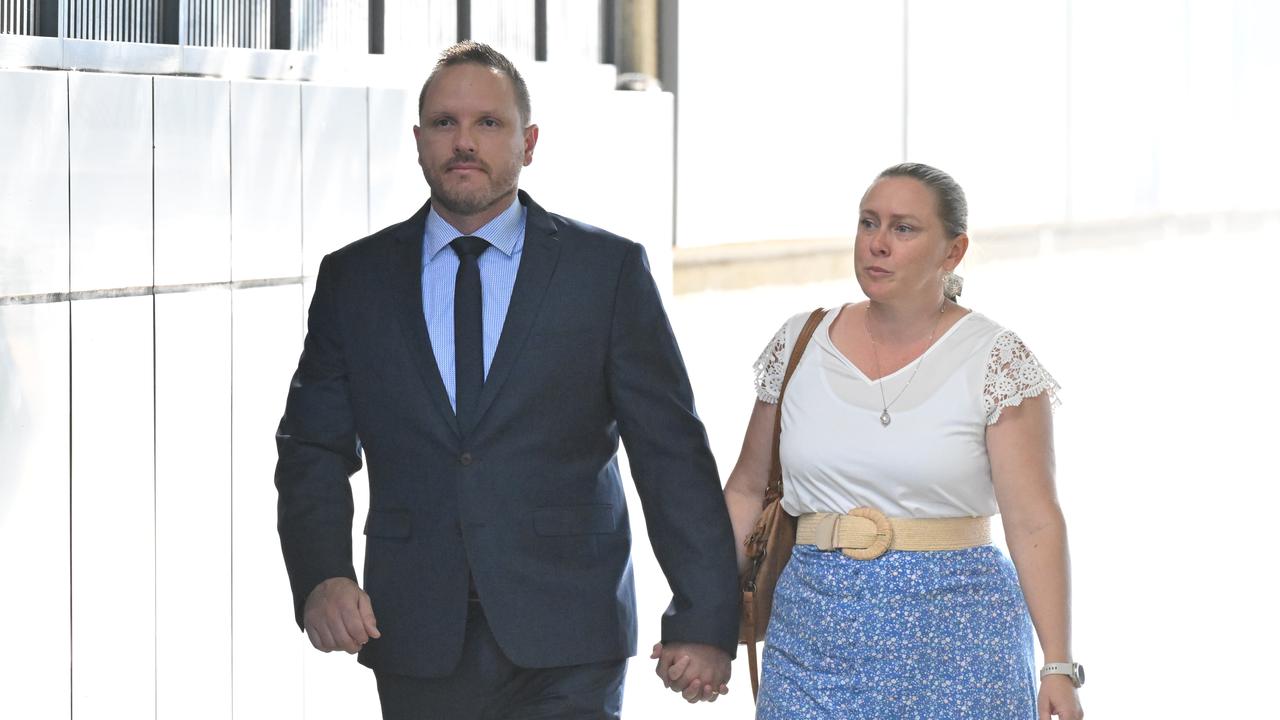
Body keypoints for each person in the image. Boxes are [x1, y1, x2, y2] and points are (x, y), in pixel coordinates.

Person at [274, 41, 738, 719]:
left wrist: (703, 617)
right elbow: (312, 448)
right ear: (418, 142)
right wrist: (322, 575)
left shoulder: (604, 271)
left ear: (529, 141)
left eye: (488, 123)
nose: (464, 142)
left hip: (571, 632)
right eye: (445, 123)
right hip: (414, 629)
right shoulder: (356, 279)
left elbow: (670, 453)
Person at [722, 163, 1084, 718]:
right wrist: (701, 620)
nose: (878, 243)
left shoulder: (995, 359)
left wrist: (1057, 664)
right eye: (868, 223)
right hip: (810, 642)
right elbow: (747, 491)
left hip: (963, 644)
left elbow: (1034, 520)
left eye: (904, 228)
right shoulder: (799, 343)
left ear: (953, 251)